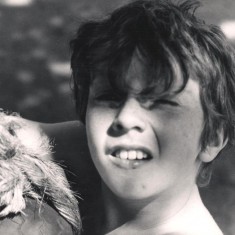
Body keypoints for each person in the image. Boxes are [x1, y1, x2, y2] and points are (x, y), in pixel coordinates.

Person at [68, 0, 235, 234]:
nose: (125, 118)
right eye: (109, 96)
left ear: (213, 138)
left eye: (162, 102)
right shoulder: (86, 148)